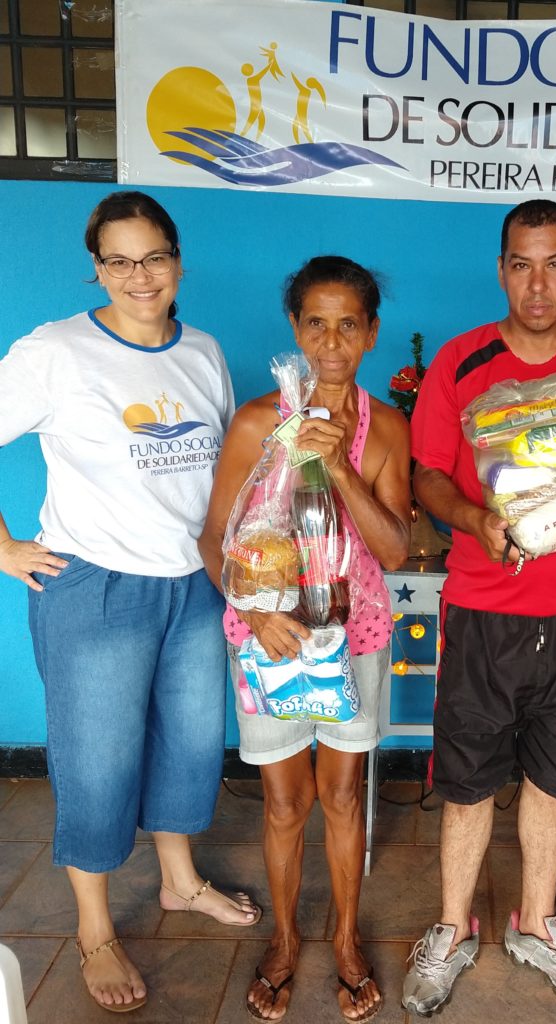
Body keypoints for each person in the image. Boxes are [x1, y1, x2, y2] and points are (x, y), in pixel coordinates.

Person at [0, 191, 260, 1014]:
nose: (138, 276)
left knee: (189, 744)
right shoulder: (56, 350)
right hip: (96, 588)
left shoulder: (204, 351)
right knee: (98, 758)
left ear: (178, 260)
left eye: (153, 257)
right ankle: (94, 928)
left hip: (192, 586)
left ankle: (180, 881)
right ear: (97, 268)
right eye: (119, 261)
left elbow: (225, 473)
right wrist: (3, 547)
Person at [402, 199, 556, 1015]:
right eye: (521, 265)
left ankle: (535, 924)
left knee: (555, 779)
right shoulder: (460, 363)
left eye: (554, 264)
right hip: (483, 608)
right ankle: (450, 928)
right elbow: (428, 475)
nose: (537, 285)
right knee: (467, 782)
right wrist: (473, 519)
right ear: (501, 270)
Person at [198, 256, 411, 1022]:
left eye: (347, 325)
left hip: (355, 636)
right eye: (315, 324)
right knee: (286, 803)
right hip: (271, 640)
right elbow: (214, 538)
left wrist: (338, 467)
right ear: (295, 327)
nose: (330, 341)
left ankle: (345, 939)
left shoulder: (386, 428)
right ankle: (286, 941)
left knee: (343, 795)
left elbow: (393, 550)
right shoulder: (258, 423)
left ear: (371, 333)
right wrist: (254, 611)